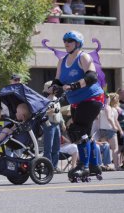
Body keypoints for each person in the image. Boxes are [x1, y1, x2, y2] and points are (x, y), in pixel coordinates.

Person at [50, 30, 104, 180]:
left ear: (78, 43)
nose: (66, 43)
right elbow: (58, 81)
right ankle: (94, 165)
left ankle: (83, 166)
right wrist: (54, 87)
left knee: (77, 130)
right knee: (83, 132)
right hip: (76, 101)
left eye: (69, 41)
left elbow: (92, 77)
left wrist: (73, 86)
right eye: (65, 41)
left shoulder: (83, 57)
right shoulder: (62, 60)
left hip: (92, 98)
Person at [42, 81, 62, 172]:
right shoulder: (45, 100)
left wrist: (63, 123)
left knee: (57, 147)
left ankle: (54, 165)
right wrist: (49, 112)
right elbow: (42, 114)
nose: (55, 89)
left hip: (57, 124)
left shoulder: (57, 99)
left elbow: (60, 113)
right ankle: (48, 167)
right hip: (49, 125)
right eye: (53, 87)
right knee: (48, 147)